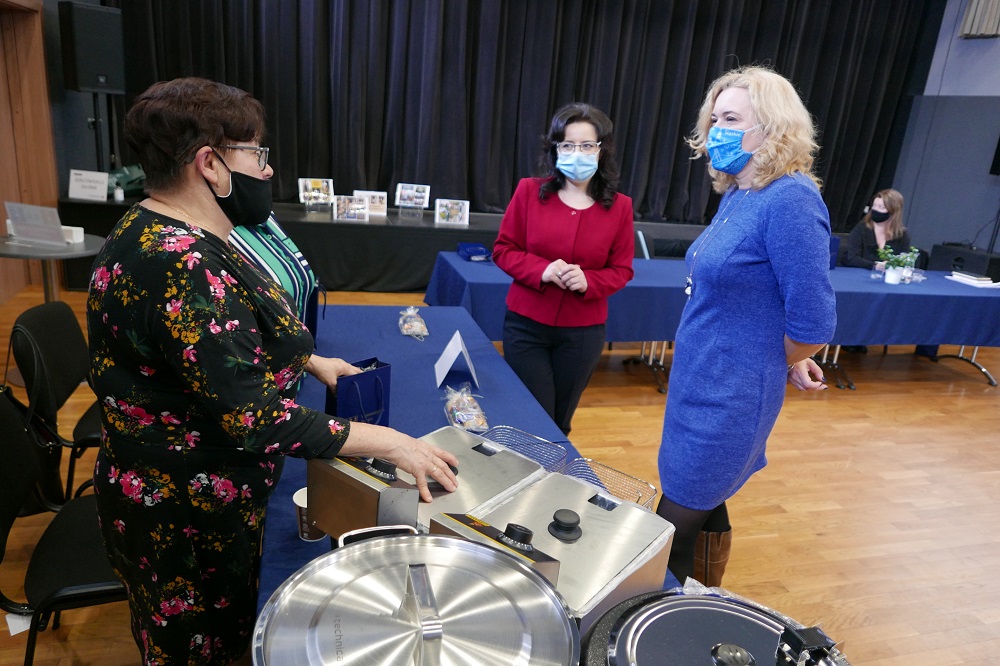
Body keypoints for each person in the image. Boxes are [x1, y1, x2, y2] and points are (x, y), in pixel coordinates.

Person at [86, 77, 459, 665]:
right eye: (256, 153)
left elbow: (210, 340)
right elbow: (257, 420)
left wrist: (306, 358)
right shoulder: (183, 264)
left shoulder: (164, 226)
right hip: (186, 513)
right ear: (210, 164)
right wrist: (390, 443)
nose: (266, 169)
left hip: (184, 489)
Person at [656, 66, 837, 586]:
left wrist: (774, 359)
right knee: (703, 504)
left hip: (729, 397)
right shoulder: (742, 192)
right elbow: (757, 296)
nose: (717, 131)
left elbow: (814, 322)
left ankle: (670, 623)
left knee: (667, 537)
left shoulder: (791, 199)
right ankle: (704, 599)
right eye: (715, 119)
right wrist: (785, 355)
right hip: (698, 382)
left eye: (731, 119)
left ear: (773, 128)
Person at [492, 103, 634, 436]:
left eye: (586, 145)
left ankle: (554, 466)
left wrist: (589, 280)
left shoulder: (621, 206)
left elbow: (622, 270)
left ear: (601, 150)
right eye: (568, 145)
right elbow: (503, 250)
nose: (577, 153)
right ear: (555, 148)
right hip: (526, 327)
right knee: (532, 415)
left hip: (582, 334)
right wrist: (540, 270)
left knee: (560, 420)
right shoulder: (529, 191)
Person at [843, 188, 911, 269]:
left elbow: (904, 261)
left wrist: (892, 265)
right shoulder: (861, 229)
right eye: (874, 206)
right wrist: (875, 265)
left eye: (881, 207)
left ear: (893, 211)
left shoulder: (901, 235)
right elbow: (851, 258)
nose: (875, 210)